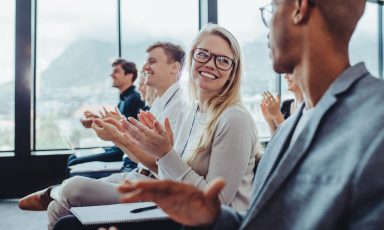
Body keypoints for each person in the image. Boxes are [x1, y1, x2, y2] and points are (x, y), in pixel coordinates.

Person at [117, 0, 384, 229]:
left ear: (298, 8)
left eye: (272, 8)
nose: (267, 31)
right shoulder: (289, 128)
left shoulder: (376, 121)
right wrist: (213, 217)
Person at [53, 24, 260, 229]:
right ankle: (54, 194)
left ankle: (52, 193)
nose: (211, 64)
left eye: (223, 60)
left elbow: (215, 204)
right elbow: (170, 174)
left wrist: (163, 154)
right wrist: (159, 155)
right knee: (63, 214)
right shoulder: (192, 112)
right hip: (179, 211)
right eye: (203, 54)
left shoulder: (234, 119)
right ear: (190, 60)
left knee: (69, 219)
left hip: (208, 224)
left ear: (233, 73)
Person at [18, 42, 186, 230]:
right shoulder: (160, 105)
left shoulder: (179, 108)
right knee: (57, 206)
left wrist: (118, 136)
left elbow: (162, 165)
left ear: (174, 67)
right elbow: (142, 147)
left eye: (152, 61)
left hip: (152, 183)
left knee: (74, 187)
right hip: (136, 174)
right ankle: (56, 194)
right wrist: (117, 128)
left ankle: (53, 192)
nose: (145, 67)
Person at [67, 59, 145, 172]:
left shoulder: (133, 99)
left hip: (123, 151)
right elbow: (120, 123)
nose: (111, 74)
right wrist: (97, 120)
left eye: (116, 71)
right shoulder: (124, 100)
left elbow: (127, 130)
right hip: (116, 148)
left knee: (73, 162)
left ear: (129, 75)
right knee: (72, 157)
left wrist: (100, 121)